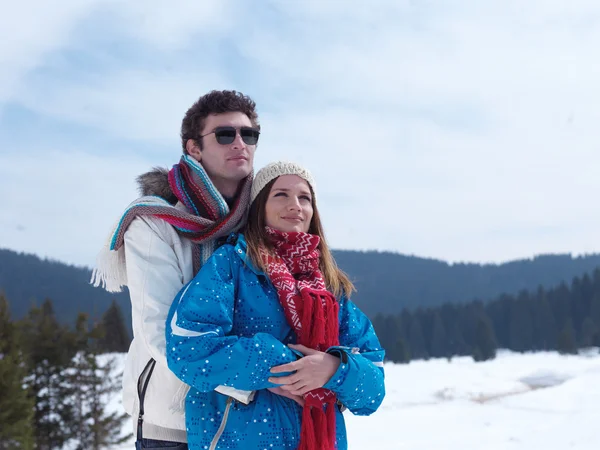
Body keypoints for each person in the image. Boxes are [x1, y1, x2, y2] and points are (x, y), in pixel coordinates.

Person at [166, 161, 385, 450]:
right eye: (281, 194)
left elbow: (373, 388)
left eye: (304, 197)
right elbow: (187, 350)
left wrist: (333, 368)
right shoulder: (232, 265)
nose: (295, 205)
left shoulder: (329, 287)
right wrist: (279, 364)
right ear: (260, 207)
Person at [92, 90, 261, 449]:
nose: (240, 143)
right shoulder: (154, 222)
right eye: (225, 134)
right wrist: (258, 382)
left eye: (249, 135)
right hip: (174, 425)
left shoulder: (262, 220)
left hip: (251, 426)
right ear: (194, 148)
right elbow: (159, 331)